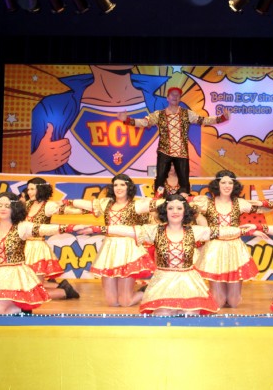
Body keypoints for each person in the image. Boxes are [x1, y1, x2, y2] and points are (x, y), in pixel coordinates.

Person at [76, 194, 246, 315]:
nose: (175, 211)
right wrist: (97, 228)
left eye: (179, 208)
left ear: (185, 211)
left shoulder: (195, 231)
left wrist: (250, 229)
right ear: (165, 211)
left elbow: (223, 231)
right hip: (162, 283)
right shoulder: (154, 231)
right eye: (170, 208)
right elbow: (126, 230)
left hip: (189, 283)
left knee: (191, 315)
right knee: (163, 314)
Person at [30, 65, 170, 176]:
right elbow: (31, 175)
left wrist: (182, 169)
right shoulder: (50, 108)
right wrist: (36, 163)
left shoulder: (170, 109)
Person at [117, 86, 230, 196]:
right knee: (160, 178)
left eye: (177, 95)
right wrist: (127, 120)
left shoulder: (187, 113)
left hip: (181, 152)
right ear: (167, 98)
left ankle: (184, 200)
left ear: (180, 98)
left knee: (184, 179)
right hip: (164, 151)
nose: (175, 97)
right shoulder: (159, 114)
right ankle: (158, 198)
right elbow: (144, 122)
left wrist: (222, 118)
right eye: (172, 95)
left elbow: (204, 120)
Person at [65, 174, 156, 307]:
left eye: (122, 185)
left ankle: (146, 291)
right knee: (112, 302)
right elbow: (89, 204)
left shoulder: (136, 205)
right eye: (115, 185)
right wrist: (68, 202)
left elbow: (157, 204)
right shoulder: (106, 203)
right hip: (109, 249)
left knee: (125, 302)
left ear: (129, 187)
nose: (118, 188)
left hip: (128, 250)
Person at [190, 170, 260, 308]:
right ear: (217, 184)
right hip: (214, 249)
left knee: (234, 302)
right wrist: (199, 218)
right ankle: (217, 296)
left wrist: (270, 204)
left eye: (230, 183)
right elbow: (185, 207)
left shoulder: (240, 203)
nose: (227, 186)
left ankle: (230, 295)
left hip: (235, 249)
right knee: (219, 302)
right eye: (223, 182)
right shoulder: (206, 203)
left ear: (234, 185)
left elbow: (262, 209)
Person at [22, 177, 82, 300]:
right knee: (26, 285)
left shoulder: (48, 206)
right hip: (25, 247)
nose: (29, 192)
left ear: (40, 189)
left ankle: (64, 292)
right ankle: (62, 288)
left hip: (37, 248)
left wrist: (89, 208)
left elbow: (70, 211)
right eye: (28, 189)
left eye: (32, 189)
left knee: (35, 290)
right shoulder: (27, 204)